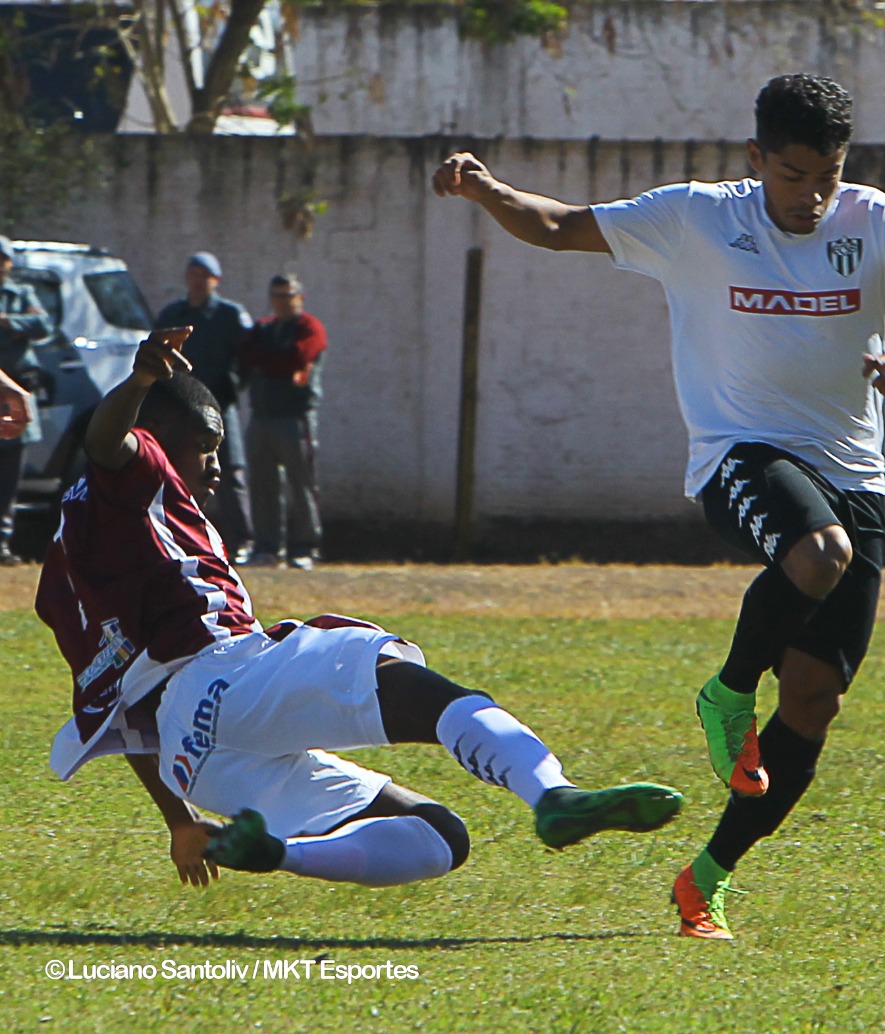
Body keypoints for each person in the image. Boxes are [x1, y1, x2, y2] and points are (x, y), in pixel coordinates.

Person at [431, 73, 885, 939]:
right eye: (796, 175)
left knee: (811, 703)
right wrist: (485, 188)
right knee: (818, 554)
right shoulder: (698, 217)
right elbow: (557, 225)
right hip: (740, 454)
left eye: (830, 173)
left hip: (855, 476)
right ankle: (726, 695)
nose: (815, 195)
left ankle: (705, 881)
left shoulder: (880, 221)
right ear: (758, 158)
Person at [36, 329, 683, 890]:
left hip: (195, 760)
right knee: (398, 672)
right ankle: (552, 794)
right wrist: (143, 378)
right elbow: (107, 438)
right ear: (158, 437)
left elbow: (125, 707)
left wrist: (179, 819)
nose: (214, 470)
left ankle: (274, 852)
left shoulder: (71, 565)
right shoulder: (137, 466)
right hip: (224, 681)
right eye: (206, 448)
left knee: (437, 834)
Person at [155, 252, 255, 563]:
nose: (198, 280)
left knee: (230, 474)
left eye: (205, 274)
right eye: (194, 273)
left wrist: (233, 385)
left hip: (220, 407)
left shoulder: (231, 315)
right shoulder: (173, 314)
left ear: (217, 280)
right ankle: (180, 539)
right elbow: (157, 353)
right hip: (181, 410)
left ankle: (241, 542)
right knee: (177, 474)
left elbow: (250, 357)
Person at [239, 274, 326, 570]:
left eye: (288, 296)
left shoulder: (309, 328)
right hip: (262, 414)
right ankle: (267, 546)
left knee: (301, 483)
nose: (283, 302)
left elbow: (299, 356)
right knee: (263, 484)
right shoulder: (263, 329)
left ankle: (305, 547)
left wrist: (269, 361)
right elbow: (246, 353)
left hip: (294, 416)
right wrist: (273, 360)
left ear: (300, 298)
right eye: (277, 295)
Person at [0, 234, 54, 564]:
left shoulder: (21, 295)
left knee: (10, 477)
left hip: (16, 391)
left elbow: (43, 323)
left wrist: (8, 321)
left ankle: (2, 543)